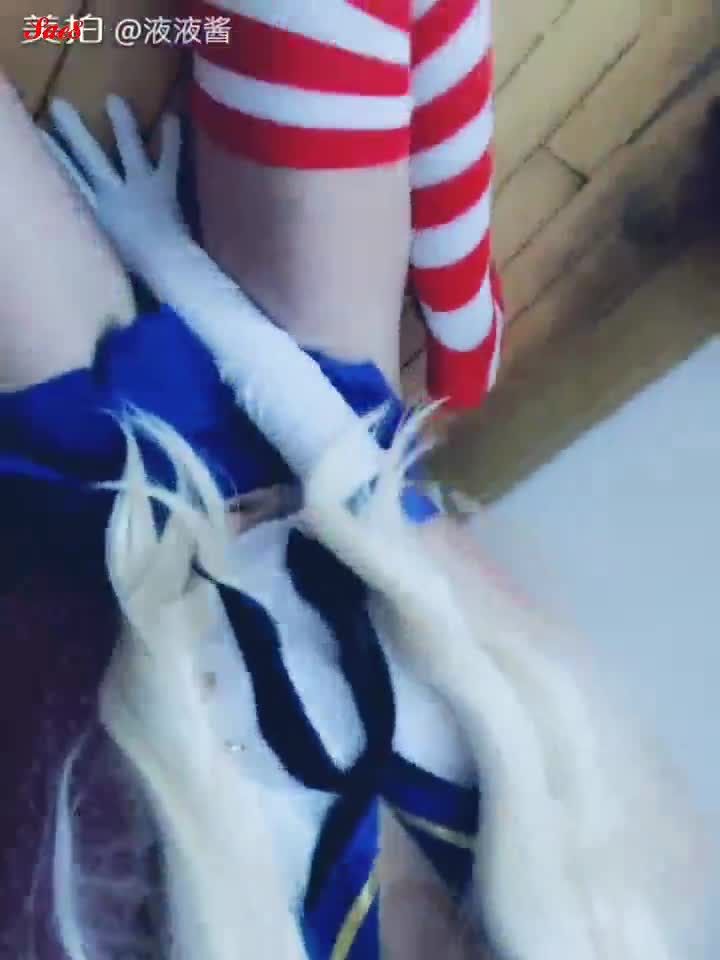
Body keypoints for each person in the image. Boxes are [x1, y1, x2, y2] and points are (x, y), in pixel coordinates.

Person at [0, 4, 698, 958]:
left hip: (109, 490)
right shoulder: (588, 876)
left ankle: (450, 257)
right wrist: (174, 261)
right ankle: (458, 283)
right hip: (318, 427)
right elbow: (371, 496)